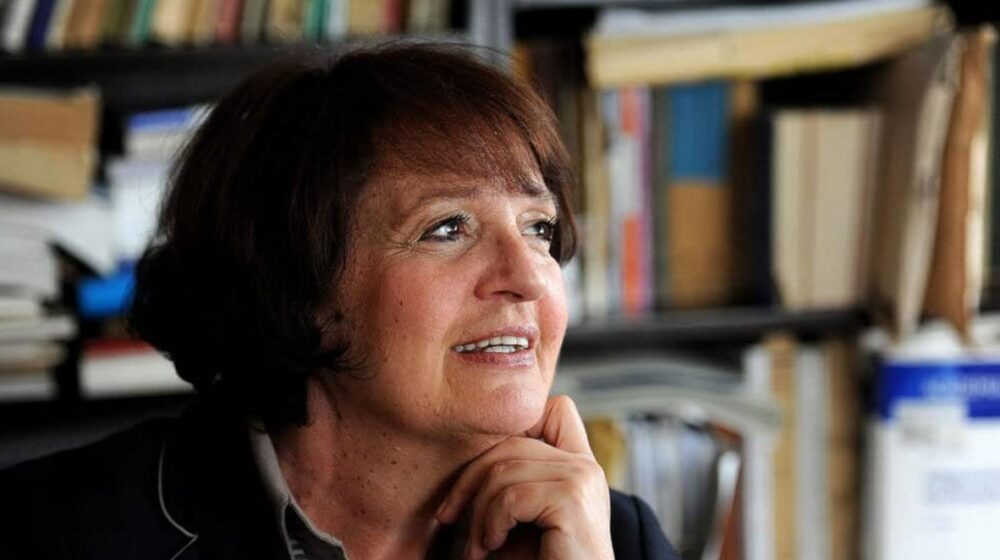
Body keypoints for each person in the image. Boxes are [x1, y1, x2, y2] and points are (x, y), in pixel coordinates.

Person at [0, 42, 679, 559]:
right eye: (448, 228)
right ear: (297, 288)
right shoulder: (50, 532)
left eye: (539, 227)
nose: (530, 276)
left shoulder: (612, 538)